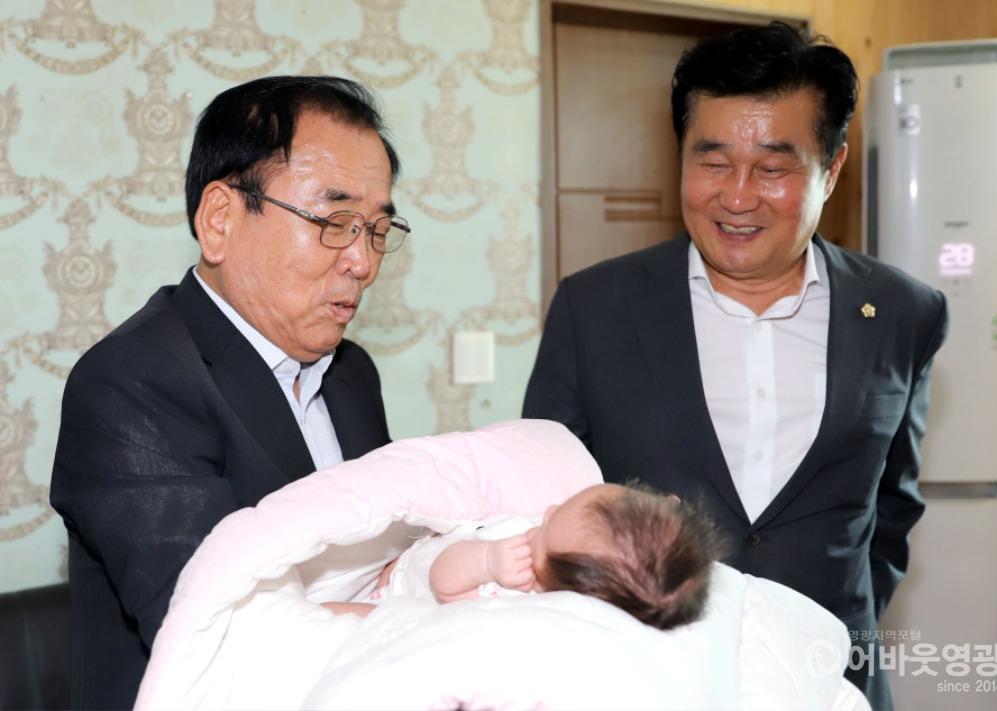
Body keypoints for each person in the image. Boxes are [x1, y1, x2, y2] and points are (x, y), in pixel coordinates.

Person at [522, 22, 948, 710]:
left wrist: (833, 628)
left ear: (833, 167)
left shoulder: (903, 312)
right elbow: (540, 496)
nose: (738, 196)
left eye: (774, 168)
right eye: (713, 162)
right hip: (642, 679)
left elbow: (892, 509)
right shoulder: (593, 307)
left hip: (829, 680)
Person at [50, 75, 409, 710]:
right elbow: (224, 632)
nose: (362, 262)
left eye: (377, 229)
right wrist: (418, 618)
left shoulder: (351, 374)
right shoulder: (132, 382)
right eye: (335, 221)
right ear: (220, 219)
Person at [327, 483, 720, 631]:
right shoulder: (563, 545)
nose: (546, 513)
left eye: (542, 534)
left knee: (327, 617)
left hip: (397, 603)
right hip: (408, 555)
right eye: (559, 508)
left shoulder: (510, 595)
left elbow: (442, 580)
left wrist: (487, 562)